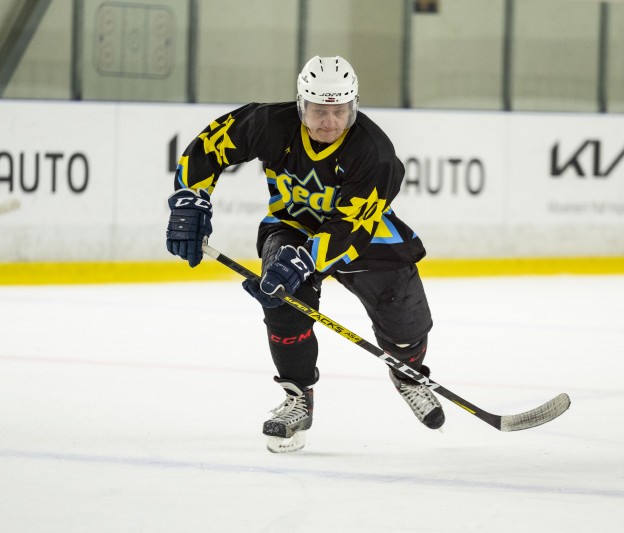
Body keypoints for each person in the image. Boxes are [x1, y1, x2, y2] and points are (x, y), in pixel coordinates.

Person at [165, 56, 444, 453]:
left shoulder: (374, 152)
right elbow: (210, 147)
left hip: (362, 234)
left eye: (339, 111)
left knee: (405, 317)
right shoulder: (269, 124)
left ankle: (408, 374)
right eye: (318, 111)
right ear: (301, 106)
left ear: (354, 106)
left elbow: (351, 227)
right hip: (291, 225)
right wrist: (190, 198)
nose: (329, 122)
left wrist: (306, 260)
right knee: (282, 301)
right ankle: (297, 397)